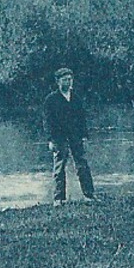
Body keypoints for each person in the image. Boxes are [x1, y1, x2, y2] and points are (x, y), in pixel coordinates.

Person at [44, 67, 95, 204]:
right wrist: (51, 140)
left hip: (75, 136)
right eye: (65, 80)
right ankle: (59, 198)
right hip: (59, 137)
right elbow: (48, 122)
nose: (68, 82)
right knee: (59, 167)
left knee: (82, 164)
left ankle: (89, 195)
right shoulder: (51, 99)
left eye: (70, 79)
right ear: (58, 81)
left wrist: (84, 136)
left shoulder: (76, 98)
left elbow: (82, 119)